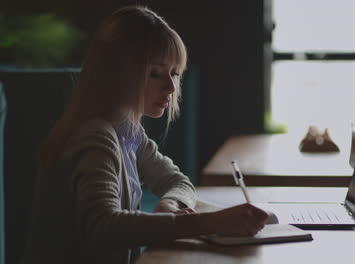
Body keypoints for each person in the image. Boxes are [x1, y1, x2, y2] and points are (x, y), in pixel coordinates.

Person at [21, 5, 268, 264]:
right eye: (155, 74)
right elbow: (105, 226)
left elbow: (179, 182)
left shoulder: (128, 133)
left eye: (174, 73)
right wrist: (206, 223)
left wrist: (170, 204)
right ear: (117, 73)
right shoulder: (95, 136)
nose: (171, 87)